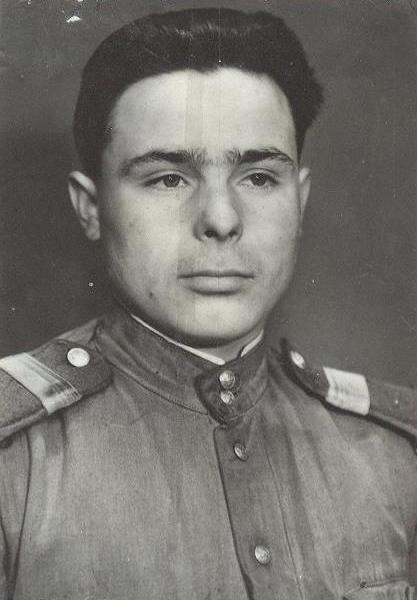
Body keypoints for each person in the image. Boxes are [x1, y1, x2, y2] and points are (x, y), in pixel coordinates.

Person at [0, 7, 416, 600]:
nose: (221, 220)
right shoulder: (15, 464)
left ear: (299, 201)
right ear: (91, 208)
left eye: (259, 177)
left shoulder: (394, 459)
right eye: (168, 178)